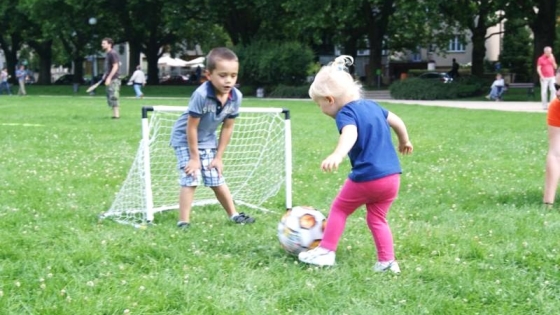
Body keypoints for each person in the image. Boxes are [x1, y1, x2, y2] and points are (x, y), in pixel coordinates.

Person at [298, 55, 413, 271]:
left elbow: (350, 133)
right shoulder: (372, 106)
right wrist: (404, 140)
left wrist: (338, 154)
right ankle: (387, 261)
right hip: (392, 177)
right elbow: (396, 120)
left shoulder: (346, 113)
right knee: (377, 218)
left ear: (330, 100)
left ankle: (326, 251)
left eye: (319, 104)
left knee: (340, 209)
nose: (320, 109)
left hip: (368, 176)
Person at [169, 47, 255, 229]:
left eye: (233, 75)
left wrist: (218, 157)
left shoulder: (235, 97)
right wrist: (194, 158)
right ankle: (183, 221)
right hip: (185, 138)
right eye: (223, 75)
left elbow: (227, 127)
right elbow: (190, 127)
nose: (229, 80)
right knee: (191, 176)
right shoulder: (201, 95)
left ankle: (234, 215)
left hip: (207, 139)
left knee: (216, 178)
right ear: (209, 75)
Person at [543, 75, 560, 208]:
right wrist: (548, 203)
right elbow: (555, 154)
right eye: (557, 86)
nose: (558, 93)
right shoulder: (556, 106)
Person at [101, 38, 121, 119]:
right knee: (109, 96)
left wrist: (109, 77)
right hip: (109, 78)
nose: (102, 45)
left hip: (114, 79)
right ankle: (114, 115)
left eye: (104, 43)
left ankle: (116, 116)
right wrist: (105, 76)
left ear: (109, 44)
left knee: (114, 96)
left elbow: (115, 66)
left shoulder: (112, 53)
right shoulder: (108, 54)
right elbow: (108, 68)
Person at [537, 46, 557, 110]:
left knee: (553, 90)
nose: (550, 53)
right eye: (549, 52)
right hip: (544, 77)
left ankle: (552, 105)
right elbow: (538, 68)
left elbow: (555, 67)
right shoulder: (540, 59)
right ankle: (544, 106)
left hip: (552, 76)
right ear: (545, 52)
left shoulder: (551, 58)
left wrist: (553, 60)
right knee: (544, 91)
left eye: (551, 51)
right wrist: (541, 76)